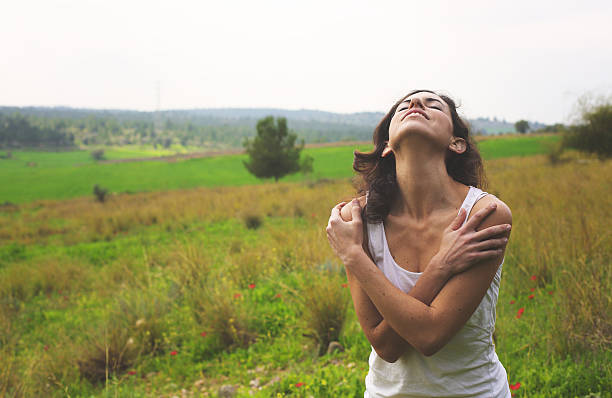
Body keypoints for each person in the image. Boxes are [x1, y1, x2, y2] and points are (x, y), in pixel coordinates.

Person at [326, 89, 513, 397]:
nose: (415, 104)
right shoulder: (357, 218)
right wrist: (441, 267)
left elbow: (429, 336)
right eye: (406, 105)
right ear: (387, 145)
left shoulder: (484, 215)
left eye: (433, 105)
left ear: (456, 143)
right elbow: (385, 345)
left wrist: (353, 255)